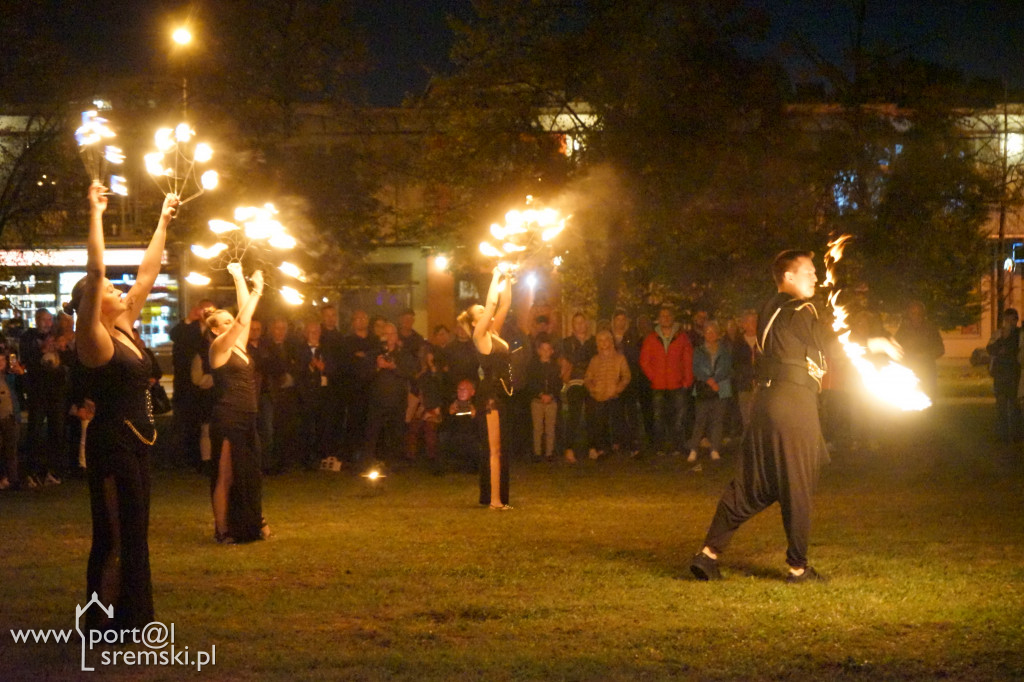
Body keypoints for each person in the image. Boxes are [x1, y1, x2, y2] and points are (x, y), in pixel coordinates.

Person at [689, 250, 838, 583]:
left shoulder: (770, 307)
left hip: (766, 402)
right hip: (793, 402)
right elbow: (827, 341)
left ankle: (708, 554)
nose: (816, 277)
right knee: (797, 483)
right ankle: (798, 567)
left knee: (752, 484)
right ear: (788, 277)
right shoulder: (803, 309)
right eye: (809, 272)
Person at [70, 182, 177, 630]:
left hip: (137, 443)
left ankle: (132, 616)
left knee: (136, 532)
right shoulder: (93, 340)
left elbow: (148, 272)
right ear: (91, 305)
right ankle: (105, 622)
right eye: (111, 290)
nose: (119, 288)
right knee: (114, 533)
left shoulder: (125, 326)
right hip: (112, 445)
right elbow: (96, 272)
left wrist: (163, 219)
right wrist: (94, 211)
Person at [205, 262, 267, 544]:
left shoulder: (238, 346)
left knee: (251, 474)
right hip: (228, 418)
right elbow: (244, 319)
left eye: (231, 320)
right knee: (226, 475)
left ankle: (254, 522)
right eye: (225, 322)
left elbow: (244, 312)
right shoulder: (218, 348)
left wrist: (238, 277)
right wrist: (257, 291)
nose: (233, 324)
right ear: (216, 330)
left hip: (248, 416)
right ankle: (222, 529)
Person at [457, 266, 513, 509]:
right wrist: (495, 275)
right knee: (494, 449)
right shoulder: (480, 336)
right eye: (479, 311)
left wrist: (508, 279)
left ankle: (497, 497)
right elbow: (492, 304)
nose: (485, 311)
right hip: (490, 395)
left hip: (503, 392)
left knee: (501, 449)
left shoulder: (494, 332)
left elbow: (503, 305)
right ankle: (494, 501)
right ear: (474, 321)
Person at [639, 306, 693, 456]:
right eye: (662, 315)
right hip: (658, 385)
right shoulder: (651, 338)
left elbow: (687, 360)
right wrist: (654, 376)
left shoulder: (682, 338)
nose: (666, 318)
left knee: (679, 416)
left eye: (668, 315)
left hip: (677, 383)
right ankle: (659, 446)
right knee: (658, 416)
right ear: (659, 319)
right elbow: (644, 361)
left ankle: (678, 445)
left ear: (673, 317)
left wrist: (687, 380)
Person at [687, 320, 732, 463]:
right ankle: (694, 449)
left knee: (717, 420)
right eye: (707, 331)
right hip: (703, 390)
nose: (710, 334)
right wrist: (709, 380)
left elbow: (726, 368)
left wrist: (716, 380)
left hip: (721, 390)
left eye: (713, 331)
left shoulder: (724, 351)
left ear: (718, 334)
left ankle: (715, 449)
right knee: (700, 420)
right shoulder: (698, 351)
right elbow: (696, 368)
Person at [583, 329, 631, 459]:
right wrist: (593, 389)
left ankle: (618, 443)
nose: (604, 343)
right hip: (598, 395)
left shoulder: (619, 358)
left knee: (617, 417)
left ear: (611, 341)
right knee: (598, 419)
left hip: (614, 394)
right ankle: (600, 447)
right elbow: (587, 378)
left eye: (606, 339)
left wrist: (617, 389)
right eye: (600, 340)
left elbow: (626, 376)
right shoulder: (595, 360)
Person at [560, 312, 596, 463]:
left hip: (591, 380)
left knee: (592, 413)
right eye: (577, 322)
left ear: (586, 324)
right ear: (573, 325)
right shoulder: (568, 342)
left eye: (582, 322)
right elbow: (569, 360)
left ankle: (593, 447)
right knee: (574, 414)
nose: (580, 325)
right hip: (574, 381)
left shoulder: (593, 341)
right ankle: (569, 448)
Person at [895, 301, 944, 399]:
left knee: (928, 396)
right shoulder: (904, 329)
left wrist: (926, 355)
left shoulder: (930, 328)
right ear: (909, 314)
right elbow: (896, 347)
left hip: (927, 370)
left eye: (919, 313)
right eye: (913, 313)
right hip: (910, 369)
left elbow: (940, 348)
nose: (916, 316)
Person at [524, 334, 561, 462]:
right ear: (538, 350)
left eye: (548, 349)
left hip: (551, 401)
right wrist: (540, 394)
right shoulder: (533, 367)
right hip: (537, 401)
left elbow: (558, 383)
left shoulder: (555, 367)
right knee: (538, 428)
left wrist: (550, 395)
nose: (546, 352)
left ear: (552, 351)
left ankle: (549, 453)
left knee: (550, 427)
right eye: (543, 349)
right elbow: (531, 383)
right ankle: (537, 452)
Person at [987, 308, 1020, 443]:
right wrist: (1002, 340)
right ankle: (1002, 434)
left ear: (1016, 320)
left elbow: (1016, 351)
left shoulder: (1019, 334)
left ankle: (1016, 434)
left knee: (1014, 405)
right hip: (1000, 373)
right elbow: (990, 349)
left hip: (1014, 373)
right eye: (1007, 320)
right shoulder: (998, 334)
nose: (1009, 323)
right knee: (1001, 405)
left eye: (1012, 320)